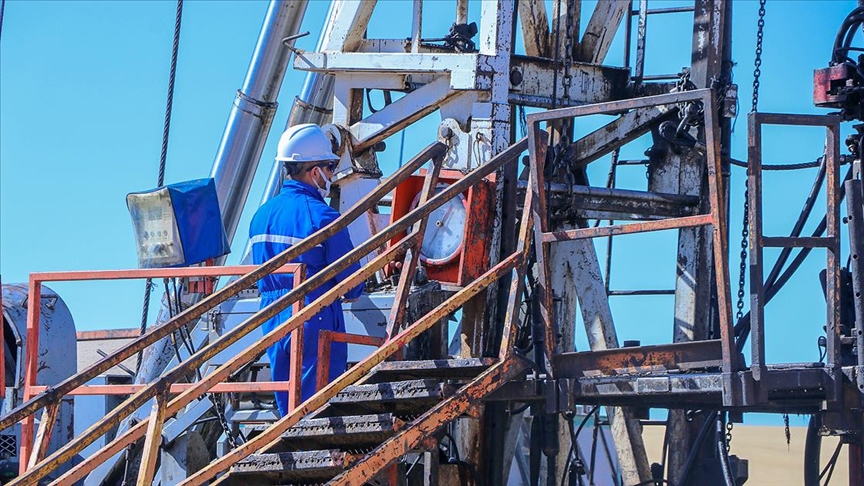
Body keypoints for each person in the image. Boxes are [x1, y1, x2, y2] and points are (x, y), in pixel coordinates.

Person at [249, 123, 364, 417]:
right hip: (315, 315)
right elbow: (352, 286)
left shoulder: (260, 217)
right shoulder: (323, 216)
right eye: (328, 166)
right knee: (319, 409)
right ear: (314, 172)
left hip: (272, 316)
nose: (330, 174)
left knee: (288, 406)